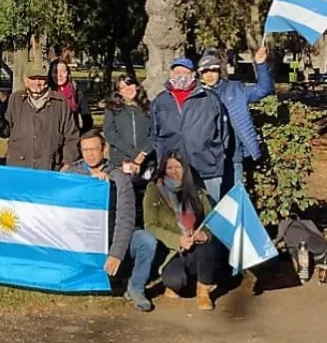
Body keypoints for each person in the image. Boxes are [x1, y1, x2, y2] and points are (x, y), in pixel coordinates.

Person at [68, 131, 157, 312]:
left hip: (113, 235)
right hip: (83, 239)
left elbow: (126, 218)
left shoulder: (120, 178)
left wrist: (116, 253)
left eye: (94, 149)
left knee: (147, 241)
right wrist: (89, 186)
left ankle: (136, 288)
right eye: (85, 150)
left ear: (104, 150)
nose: (90, 154)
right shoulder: (72, 175)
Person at [144, 151, 218, 311]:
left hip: (195, 248)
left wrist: (204, 234)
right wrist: (177, 240)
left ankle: (203, 291)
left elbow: (210, 222)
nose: (174, 171)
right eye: (169, 167)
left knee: (209, 246)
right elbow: (150, 225)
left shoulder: (197, 192)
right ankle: (178, 284)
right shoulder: (154, 191)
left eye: (178, 167)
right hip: (170, 251)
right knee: (175, 280)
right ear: (163, 169)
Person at [197, 48, 274, 197]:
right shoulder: (198, 96)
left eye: (213, 70)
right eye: (205, 71)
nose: (209, 75)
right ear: (200, 74)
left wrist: (261, 64)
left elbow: (264, 89)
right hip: (209, 159)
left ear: (219, 71)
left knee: (233, 199)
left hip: (234, 155)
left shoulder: (236, 89)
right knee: (213, 204)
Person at [150, 58, 229, 202]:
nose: (181, 76)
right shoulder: (160, 101)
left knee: (209, 214)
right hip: (173, 169)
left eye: (185, 72)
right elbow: (155, 135)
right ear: (171, 74)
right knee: (178, 216)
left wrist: (214, 153)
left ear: (193, 74)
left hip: (206, 166)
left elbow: (223, 132)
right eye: (177, 72)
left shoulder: (209, 98)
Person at [0, 63, 80, 171]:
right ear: (25, 80)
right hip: (18, 167)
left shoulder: (60, 103)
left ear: (47, 80)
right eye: (33, 78)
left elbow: (71, 136)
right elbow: (6, 131)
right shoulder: (15, 99)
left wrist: (68, 162)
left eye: (41, 79)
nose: (37, 82)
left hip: (50, 167)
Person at [103, 75, 153, 175]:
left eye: (130, 85)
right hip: (121, 161)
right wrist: (134, 154)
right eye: (123, 87)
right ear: (119, 92)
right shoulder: (112, 108)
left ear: (137, 86)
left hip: (147, 161)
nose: (127, 90)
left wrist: (143, 153)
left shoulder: (149, 107)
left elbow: (155, 133)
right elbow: (110, 133)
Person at [48, 59, 93, 132]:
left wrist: (80, 136)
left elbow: (87, 120)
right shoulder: (46, 93)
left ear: (68, 73)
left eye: (63, 71)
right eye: (55, 72)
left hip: (72, 137)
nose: (59, 75)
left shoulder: (77, 93)